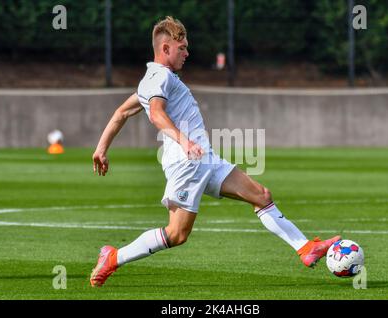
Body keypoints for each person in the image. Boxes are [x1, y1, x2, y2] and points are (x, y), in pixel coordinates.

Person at [90, 16, 340, 287]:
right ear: (165, 49)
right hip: (187, 162)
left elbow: (121, 112)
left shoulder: (156, 79)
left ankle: (305, 248)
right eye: (182, 47)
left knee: (261, 195)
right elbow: (156, 115)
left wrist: (101, 149)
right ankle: (113, 257)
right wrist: (184, 141)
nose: (187, 52)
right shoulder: (159, 76)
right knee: (176, 235)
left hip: (203, 159)